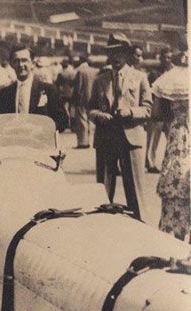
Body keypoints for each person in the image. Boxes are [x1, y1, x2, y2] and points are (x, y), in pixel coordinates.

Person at [89, 33, 152, 221]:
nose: (115, 57)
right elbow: (90, 109)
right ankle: (102, 226)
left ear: (127, 54)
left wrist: (130, 112)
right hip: (106, 138)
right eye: (111, 53)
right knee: (103, 190)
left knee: (135, 191)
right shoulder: (100, 80)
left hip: (131, 139)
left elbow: (148, 110)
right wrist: (99, 115)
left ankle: (140, 226)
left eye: (119, 52)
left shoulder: (140, 78)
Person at [152, 52, 189, 241]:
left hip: (178, 134)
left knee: (175, 173)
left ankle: (175, 231)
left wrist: (173, 118)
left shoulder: (170, 80)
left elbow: (156, 113)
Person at [0, 45, 69, 133]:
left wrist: (42, 129)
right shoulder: (5, 93)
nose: (21, 65)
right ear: (11, 64)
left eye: (24, 60)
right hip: (14, 140)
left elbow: (63, 121)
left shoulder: (49, 89)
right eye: (16, 61)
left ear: (33, 63)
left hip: (40, 140)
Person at [145, 47, 175, 173]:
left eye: (170, 58)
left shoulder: (175, 73)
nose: (168, 60)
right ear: (161, 58)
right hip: (157, 111)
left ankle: (171, 163)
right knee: (153, 139)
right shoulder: (154, 74)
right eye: (166, 57)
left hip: (170, 112)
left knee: (172, 139)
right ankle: (150, 163)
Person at [73, 54, 99, 150]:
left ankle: (83, 142)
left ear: (81, 60)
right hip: (93, 97)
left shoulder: (80, 71)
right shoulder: (95, 71)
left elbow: (79, 87)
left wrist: (76, 98)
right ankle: (91, 140)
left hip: (82, 99)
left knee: (82, 120)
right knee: (90, 120)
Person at [55, 57, 76, 126]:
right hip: (71, 91)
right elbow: (74, 82)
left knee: (64, 107)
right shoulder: (72, 71)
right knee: (71, 108)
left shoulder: (61, 72)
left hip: (63, 92)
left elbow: (57, 83)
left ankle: (67, 121)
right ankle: (72, 122)